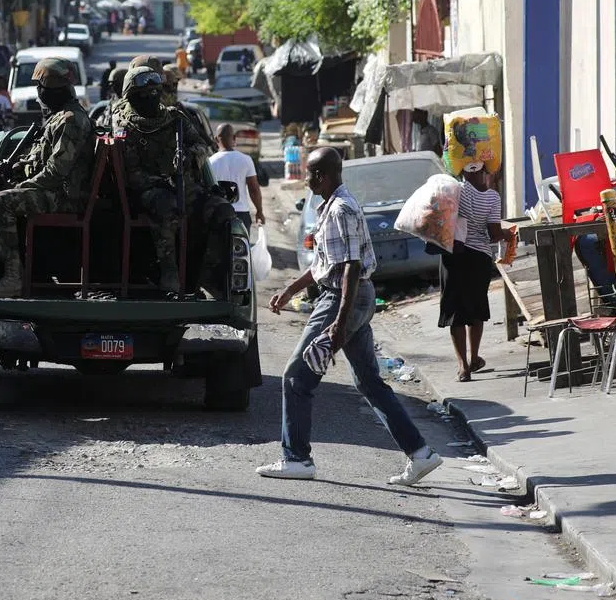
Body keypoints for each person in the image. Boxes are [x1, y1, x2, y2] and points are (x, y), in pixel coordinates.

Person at [257, 147, 442, 484]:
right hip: (350, 297)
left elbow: (351, 268)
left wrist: (339, 323)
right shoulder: (328, 206)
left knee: (296, 377)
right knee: (368, 381)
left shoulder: (341, 208)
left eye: (311, 174)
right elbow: (323, 264)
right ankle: (420, 454)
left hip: (343, 299)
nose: (307, 180)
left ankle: (296, 458)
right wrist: (289, 290)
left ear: (323, 176)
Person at [116, 67, 235, 294]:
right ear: (131, 96)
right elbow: (131, 174)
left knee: (222, 211)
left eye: (155, 92)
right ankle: (170, 274)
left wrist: (189, 157)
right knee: (167, 207)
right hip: (151, 191)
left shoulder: (175, 118)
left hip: (185, 186)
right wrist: (161, 181)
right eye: (144, 94)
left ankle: (205, 274)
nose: (151, 98)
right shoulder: (127, 126)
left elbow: (202, 146)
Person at [0, 58, 96, 297]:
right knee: (0, 193)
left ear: (53, 90)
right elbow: (39, 160)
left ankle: (14, 277)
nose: (39, 94)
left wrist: (23, 186)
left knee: (2, 202)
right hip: (56, 191)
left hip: (66, 197)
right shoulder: (59, 117)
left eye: (42, 88)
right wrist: (17, 169)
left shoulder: (71, 120)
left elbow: (56, 172)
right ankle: (31, 270)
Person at [441, 163, 511, 382]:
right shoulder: (492, 197)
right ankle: (474, 357)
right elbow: (493, 233)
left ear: (462, 170)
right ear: (486, 172)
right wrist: (507, 234)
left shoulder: (454, 191)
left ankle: (463, 367)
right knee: (476, 308)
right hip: (479, 257)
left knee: (455, 310)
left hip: (453, 254)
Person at [210, 124, 265, 232]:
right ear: (234, 138)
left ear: (216, 139)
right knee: (242, 247)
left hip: (218, 213)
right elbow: (254, 189)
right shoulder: (246, 160)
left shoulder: (210, 162)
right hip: (241, 215)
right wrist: (259, 211)